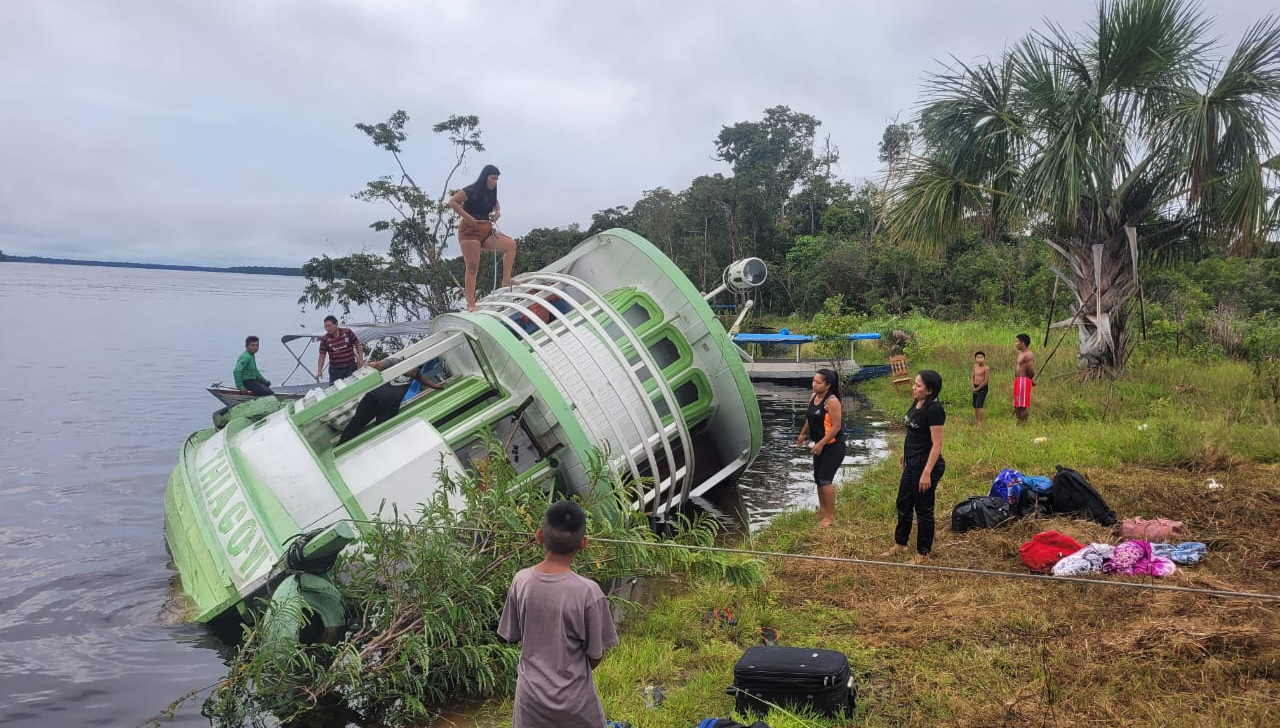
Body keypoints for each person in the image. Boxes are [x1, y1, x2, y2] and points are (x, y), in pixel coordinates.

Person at [497, 500, 619, 728]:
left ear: (539, 536)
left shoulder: (520, 581)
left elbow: (512, 635)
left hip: (530, 700)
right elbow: (596, 654)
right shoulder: (588, 592)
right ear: (584, 543)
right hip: (575, 703)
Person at [883, 370, 945, 564]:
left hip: (926, 465)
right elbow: (913, 432)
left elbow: (937, 445)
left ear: (929, 391)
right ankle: (901, 543)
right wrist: (904, 452)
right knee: (903, 502)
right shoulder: (917, 402)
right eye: (915, 384)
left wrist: (926, 473)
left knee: (924, 509)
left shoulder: (934, 409)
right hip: (912, 461)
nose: (914, 387)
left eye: (918, 386)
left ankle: (923, 552)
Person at [449, 164, 518, 312]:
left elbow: (496, 203)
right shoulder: (471, 190)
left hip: (486, 230)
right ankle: (471, 304)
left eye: (497, 179)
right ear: (485, 177)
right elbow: (453, 202)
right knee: (473, 267)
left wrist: (497, 212)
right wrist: (467, 217)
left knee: (511, 245)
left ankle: (506, 281)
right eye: (493, 178)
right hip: (469, 232)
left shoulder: (491, 193)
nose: (495, 182)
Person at [336, 359, 444, 444]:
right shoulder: (394, 363)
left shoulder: (415, 373)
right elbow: (378, 365)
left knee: (383, 429)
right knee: (357, 422)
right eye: (413, 371)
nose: (414, 374)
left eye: (416, 371)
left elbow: (421, 378)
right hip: (373, 399)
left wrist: (434, 386)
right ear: (407, 364)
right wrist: (368, 365)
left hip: (390, 407)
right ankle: (343, 443)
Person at [794, 369, 845, 527]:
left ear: (828, 385)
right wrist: (802, 434)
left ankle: (829, 517)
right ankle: (823, 509)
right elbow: (811, 419)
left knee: (825, 479)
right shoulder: (814, 396)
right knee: (817, 478)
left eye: (818, 382)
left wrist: (822, 443)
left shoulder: (832, 402)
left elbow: (836, 427)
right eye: (813, 381)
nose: (814, 385)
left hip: (833, 446)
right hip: (819, 445)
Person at [316, 315, 365, 384]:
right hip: (335, 370)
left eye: (329, 326)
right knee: (334, 388)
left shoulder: (347, 332)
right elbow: (322, 356)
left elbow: (358, 345)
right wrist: (319, 370)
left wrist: (360, 359)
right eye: (325, 327)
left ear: (336, 324)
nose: (327, 328)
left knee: (354, 385)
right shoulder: (325, 339)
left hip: (350, 367)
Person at [1013, 333, 1036, 425]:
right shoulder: (1021, 354)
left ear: (1022, 343)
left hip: (1024, 381)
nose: (1015, 343)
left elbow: (1031, 370)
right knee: (1016, 404)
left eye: (1017, 341)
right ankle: (1019, 422)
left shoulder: (1028, 355)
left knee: (1022, 405)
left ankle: (1024, 423)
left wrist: (1030, 380)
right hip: (1018, 381)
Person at [971, 350, 990, 427]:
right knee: (975, 405)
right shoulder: (975, 366)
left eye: (981, 357)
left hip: (982, 388)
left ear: (984, 358)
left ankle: (980, 424)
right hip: (975, 387)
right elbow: (972, 377)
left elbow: (986, 381)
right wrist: (973, 387)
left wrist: (978, 388)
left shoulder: (986, 368)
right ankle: (976, 421)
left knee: (979, 405)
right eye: (978, 357)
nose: (980, 359)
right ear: (975, 358)